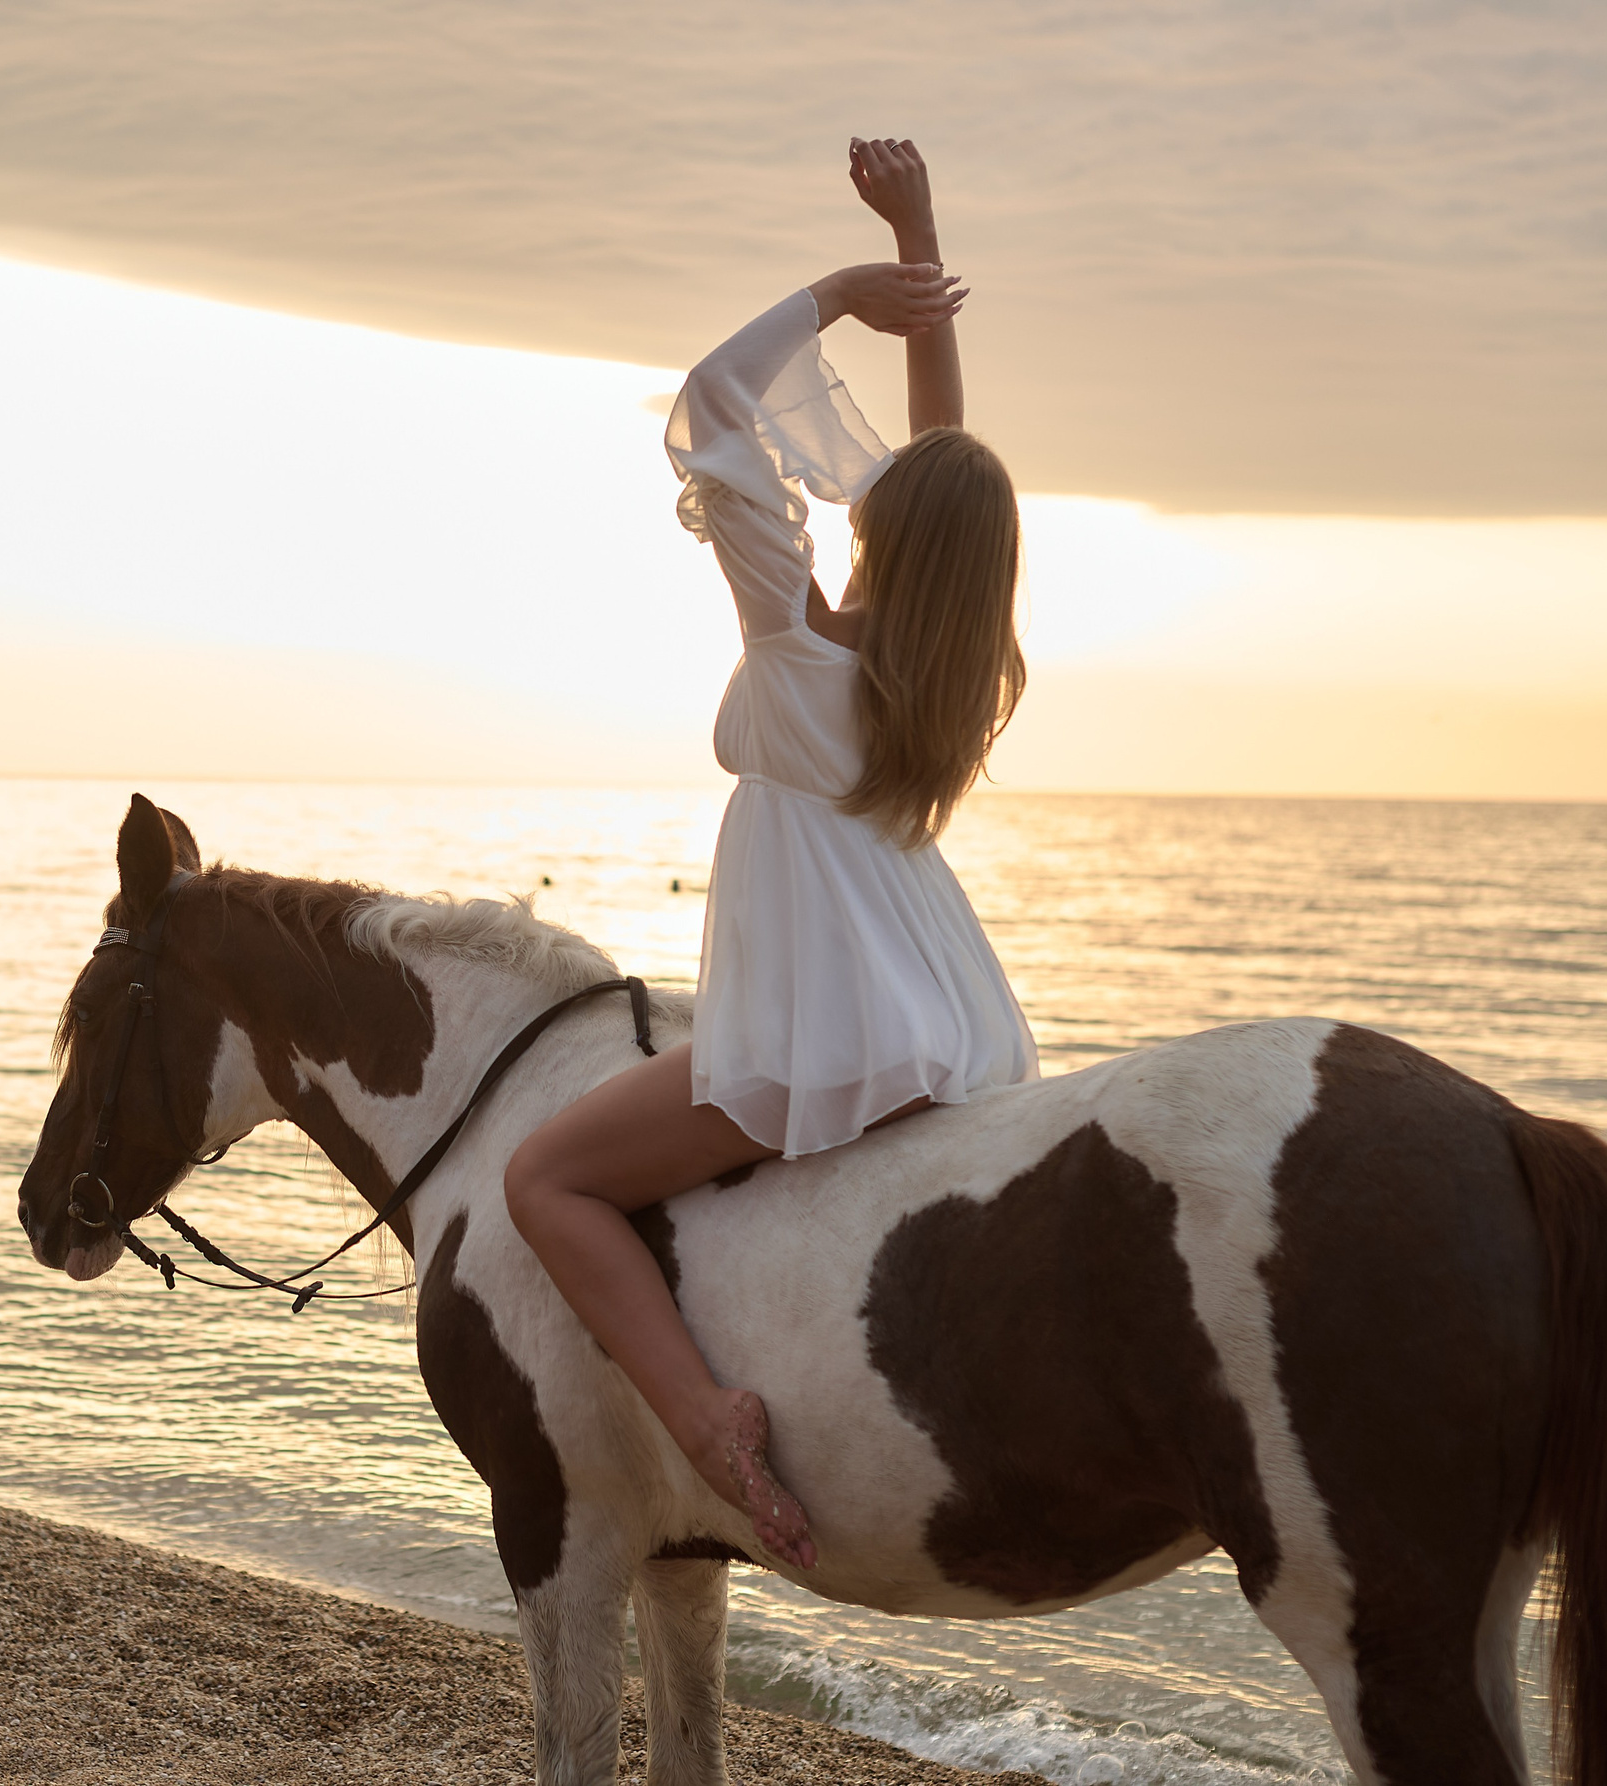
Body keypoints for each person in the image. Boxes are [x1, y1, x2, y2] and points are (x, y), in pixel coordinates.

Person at [502, 139, 1040, 1569]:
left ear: (885, 536)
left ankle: (701, 1420)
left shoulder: (798, 653)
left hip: (821, 1035)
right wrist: (922, 234)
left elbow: (708, 402)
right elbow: (945, 472)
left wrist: (838, 289)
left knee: (544, 1179)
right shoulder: (953, 672)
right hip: (944, 1010)